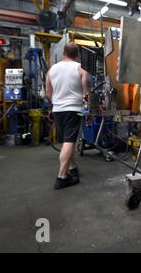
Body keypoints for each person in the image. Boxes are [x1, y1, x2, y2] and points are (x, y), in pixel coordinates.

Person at [46, 43, 90, 190]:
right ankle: (61, 176)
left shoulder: (52, 69)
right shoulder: (80, 68)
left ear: (64, 53)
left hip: (57, 109)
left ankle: (72, 167)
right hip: (73, 109)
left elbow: (48, 92)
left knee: (66, 141)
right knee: (70, 141)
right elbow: (86, 92)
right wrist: (86, 109)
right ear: (77, 54)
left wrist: (52, 106)